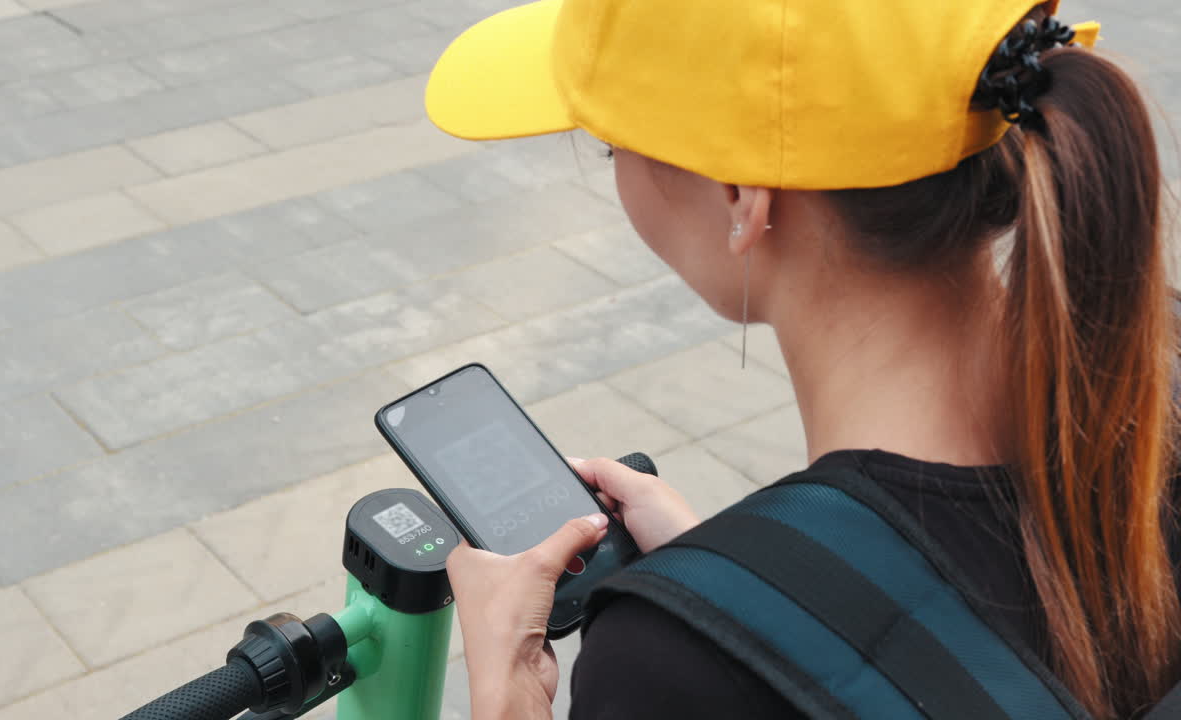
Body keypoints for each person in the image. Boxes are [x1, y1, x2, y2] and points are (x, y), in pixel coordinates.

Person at [424, 0, 1180, 718]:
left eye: (614, 142)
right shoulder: (1154, 414)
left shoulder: (666, 671)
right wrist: (745, 588)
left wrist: (508, 693)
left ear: (740, 195)